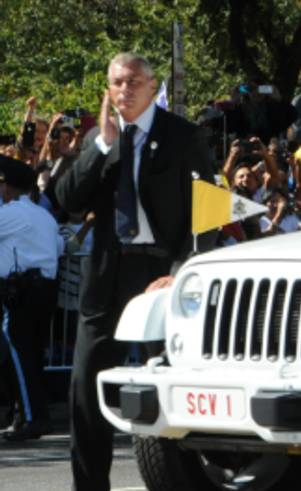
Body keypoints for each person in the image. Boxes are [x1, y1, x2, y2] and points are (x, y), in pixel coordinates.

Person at [55, 52, 218, 491]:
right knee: (85, 392)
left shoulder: (183, 137)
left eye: (132, 83)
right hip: (107, 276)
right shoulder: (99, 138)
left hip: (159, 276)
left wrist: (182, 271)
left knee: (169, 389)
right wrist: (102, 146)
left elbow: (208, 213)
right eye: (116, 83)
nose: (123, 91)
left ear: (151, 86)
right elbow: (67, 200)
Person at [0, 156, 64, 442]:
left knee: (18, 355)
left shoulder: (13, 213)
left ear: (6, 189)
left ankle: (33, 417)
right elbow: (60, 245)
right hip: (44, 290)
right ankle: (24, 414)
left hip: (22, 293)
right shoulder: (42, 215)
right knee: (32, 356)